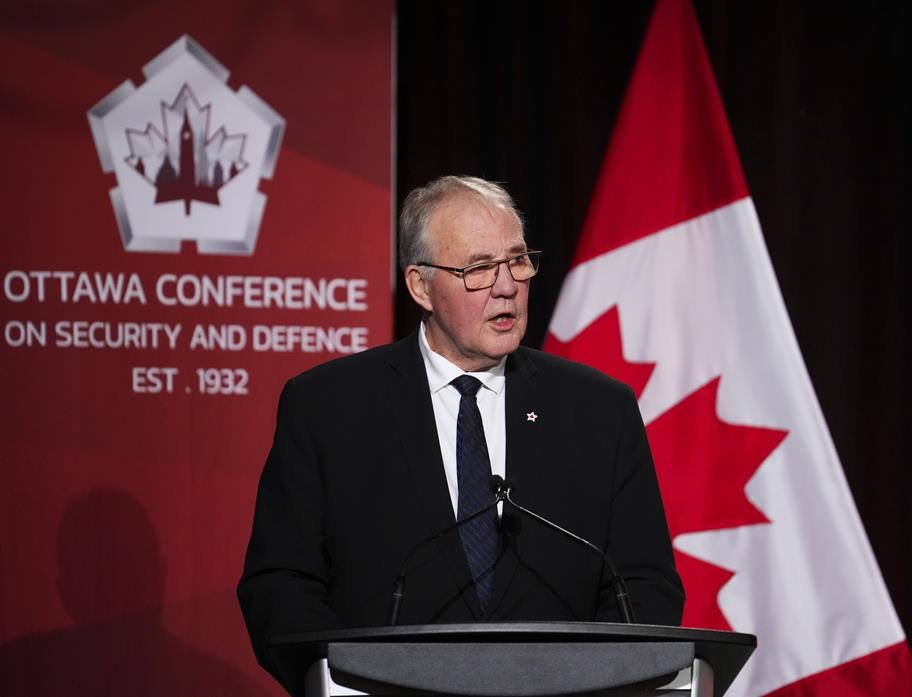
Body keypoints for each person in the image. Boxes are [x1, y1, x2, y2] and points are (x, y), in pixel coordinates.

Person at [238, 175, 684, 695]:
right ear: (421, 287)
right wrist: (352, 683)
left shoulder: (598, 410)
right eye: (477, 268)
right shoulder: (328, 407)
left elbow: (644, 585)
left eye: (517, 260)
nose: (507, 285)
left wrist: (592, 683)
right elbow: (281, 586)